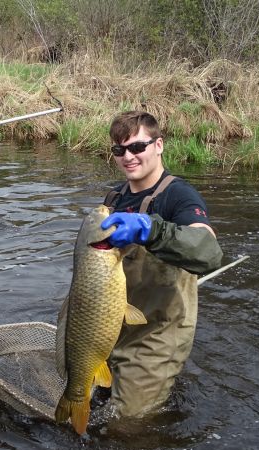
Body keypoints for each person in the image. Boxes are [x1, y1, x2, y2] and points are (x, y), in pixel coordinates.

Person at [99, 110, 223, 418]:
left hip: (155, 334)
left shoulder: (179, 196)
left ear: (159, 145)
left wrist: (153, 230)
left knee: (126, 425)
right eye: (119, 149)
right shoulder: (114, 197)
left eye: (137, 147)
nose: (128, 156)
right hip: (112, 324)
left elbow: (207, 251)